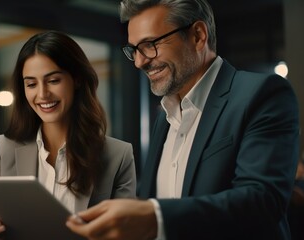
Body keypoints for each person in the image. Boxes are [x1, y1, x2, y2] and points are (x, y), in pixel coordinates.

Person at [66, 1, 300, 240]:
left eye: (149, 45)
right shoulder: (165, 117)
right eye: (134, 50)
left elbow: (262, 201)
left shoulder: (261, 94)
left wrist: (153, 217)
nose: (139, 62)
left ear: (198, 36)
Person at [0, 30, 137, 240]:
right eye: (31, 84)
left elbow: (128, 234)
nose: (42, 94)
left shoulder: (118, 155)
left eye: (53, 80)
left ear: (76, 79)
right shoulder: (3, 148)